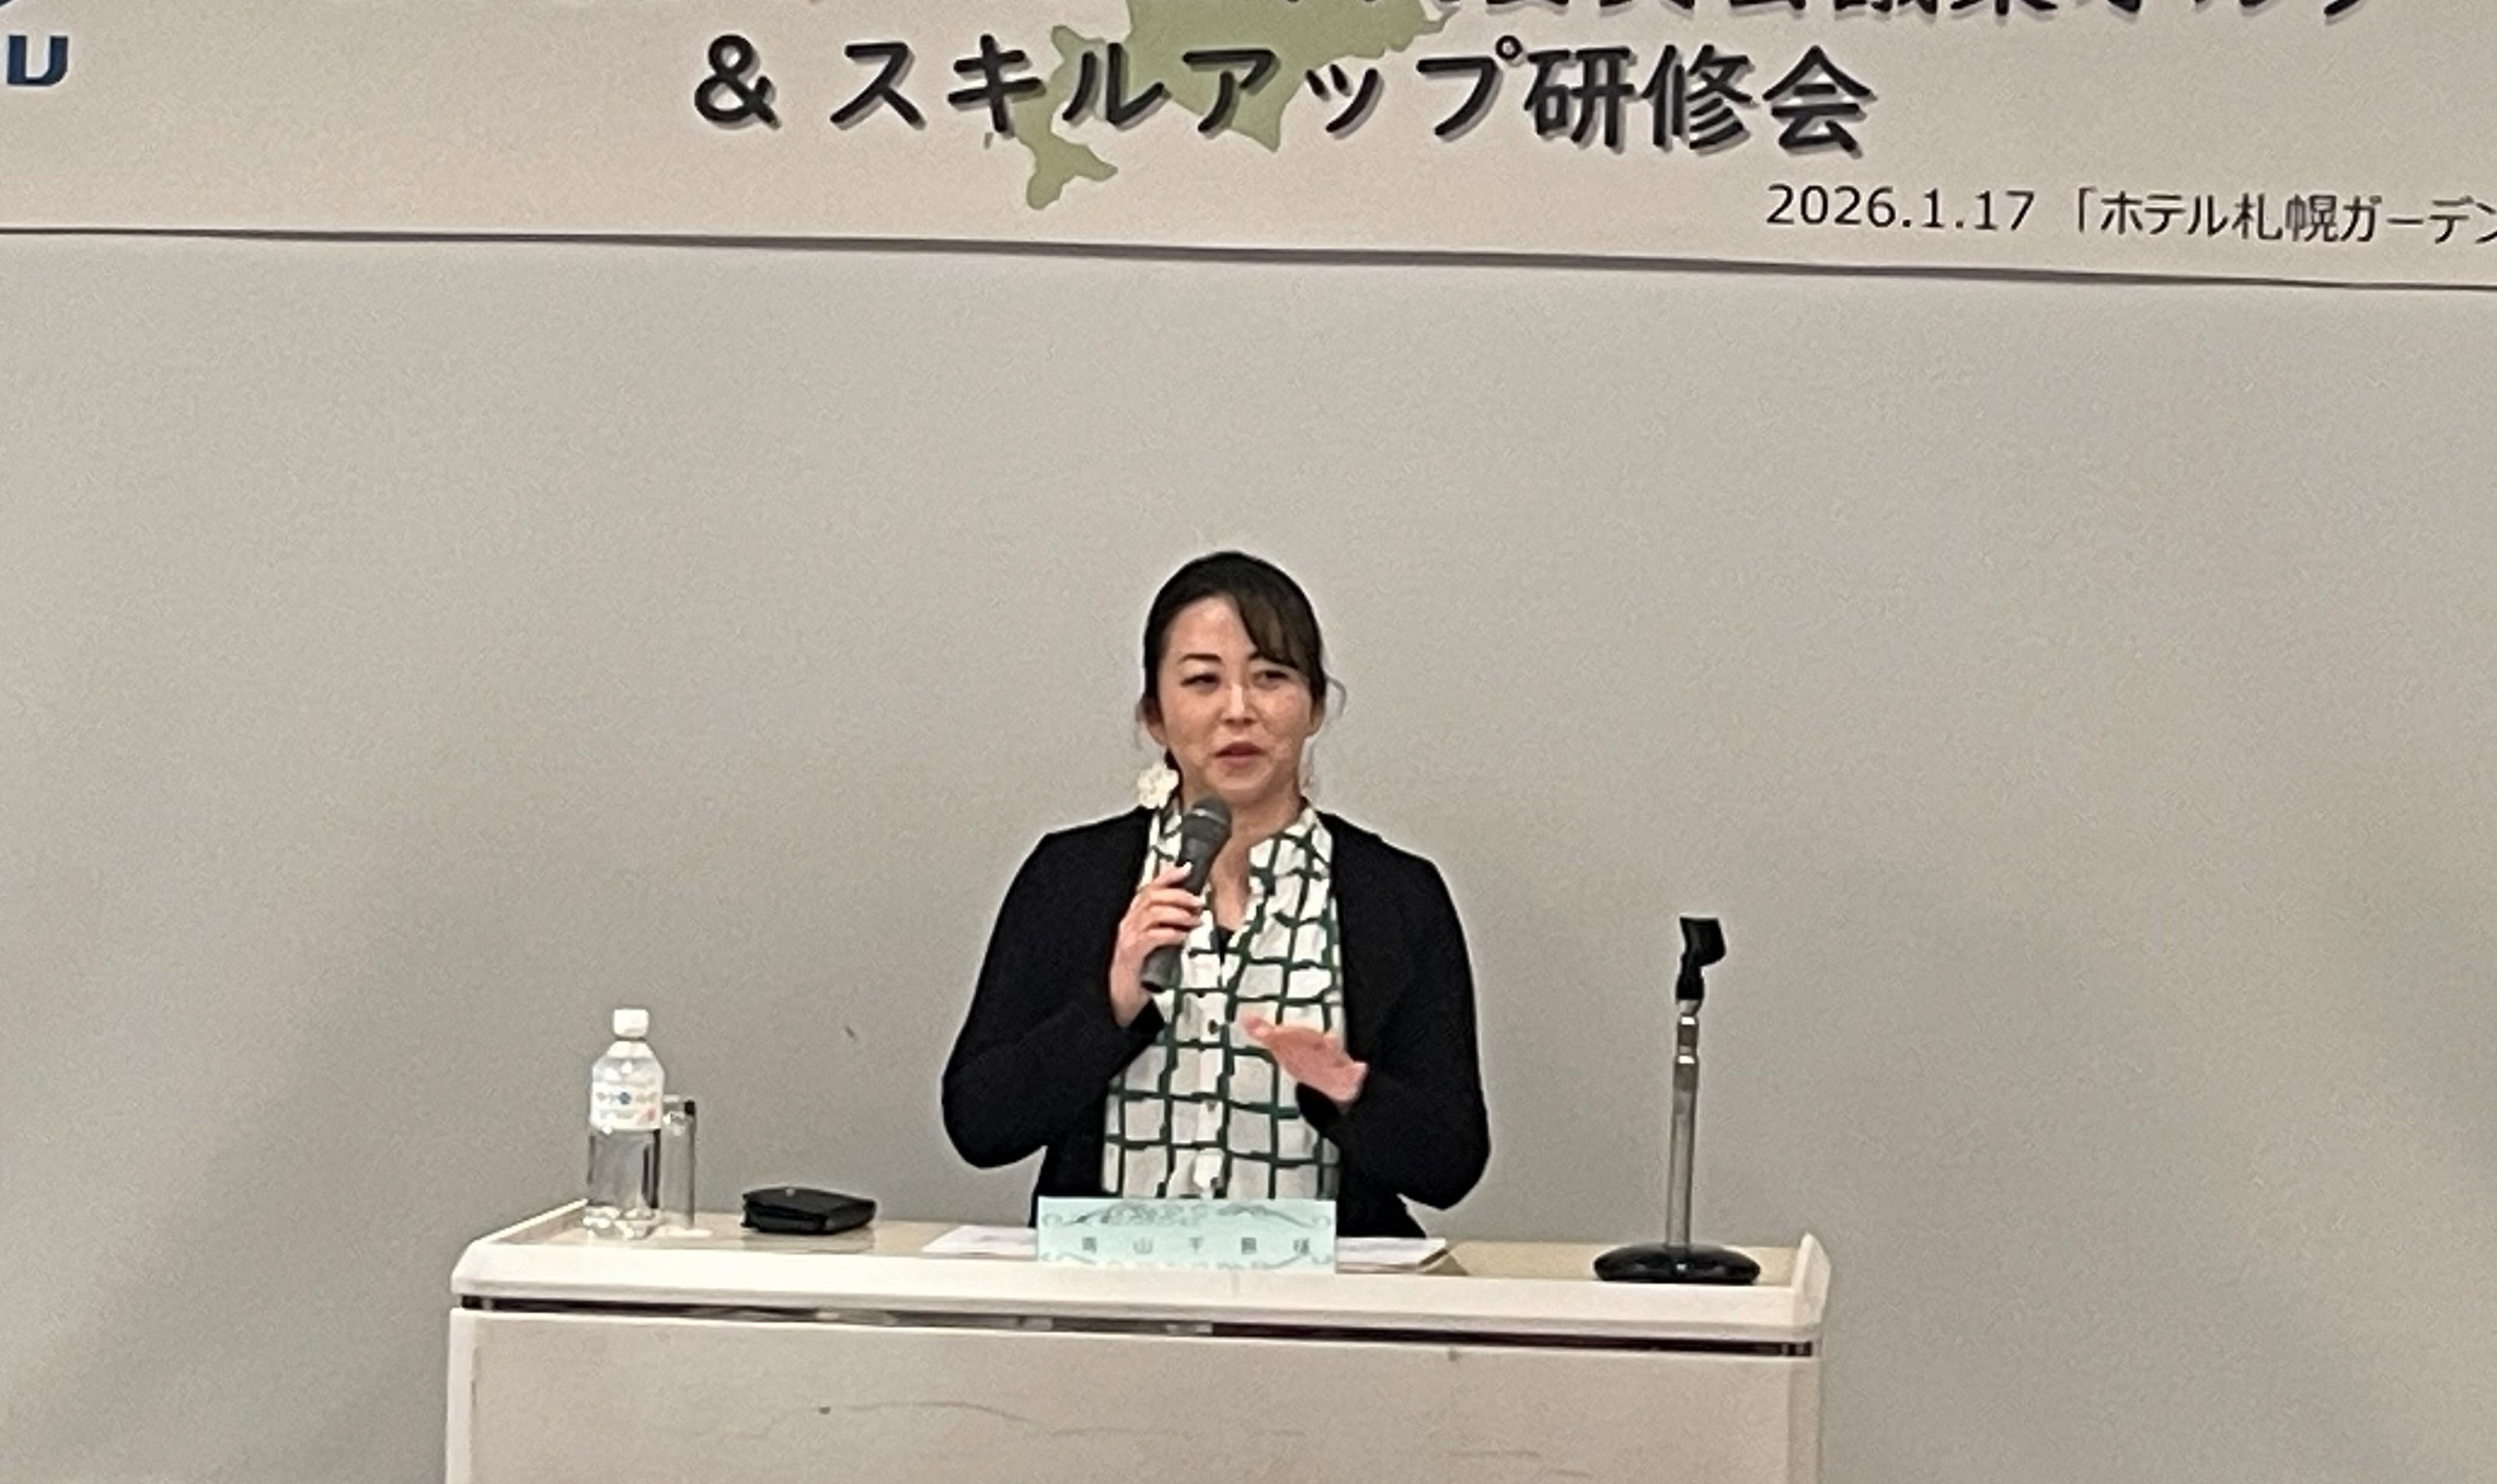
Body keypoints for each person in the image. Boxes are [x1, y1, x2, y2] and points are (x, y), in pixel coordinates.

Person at [942, 552, 1489, 1239]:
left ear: (1316, 705)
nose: (1238, 710)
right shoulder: (1071, 878)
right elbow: (979, 1125)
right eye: (1202, 680)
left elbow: (1452, 1165)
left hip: (1323, 1291)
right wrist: (1110, 1006)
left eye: (1271, 677)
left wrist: (1350, 1088)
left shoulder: (1395, 896)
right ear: (1154, 715)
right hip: (1110, 1287)